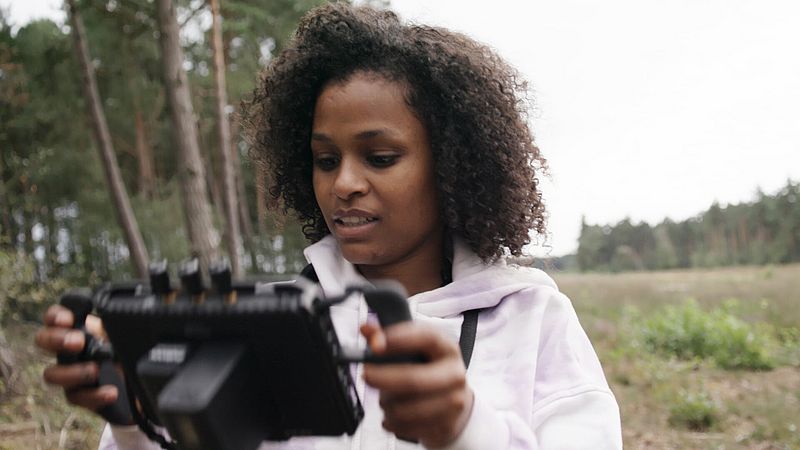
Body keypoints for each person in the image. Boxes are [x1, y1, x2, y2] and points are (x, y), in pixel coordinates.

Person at [36, 3, 622, 449]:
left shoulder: (533, 321)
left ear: (452, 164)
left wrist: (467, 427)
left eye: (380, 157)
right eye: (324, 159)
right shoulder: (269, 320)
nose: (343, 183)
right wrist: (137, 415)